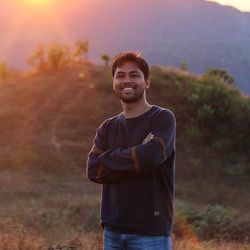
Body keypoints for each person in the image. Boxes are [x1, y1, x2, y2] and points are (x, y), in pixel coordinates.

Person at [86, 51, 176, 250]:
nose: (127, 80)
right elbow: (93, 169)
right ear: (113, 82)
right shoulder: (107, 127)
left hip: (151, 232)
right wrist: (138, 153)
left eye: (134, 75)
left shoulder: (162, 119)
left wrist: (109, 159)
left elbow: (151, 157)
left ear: (147, 82)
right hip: (113, 231)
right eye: (120, 75)